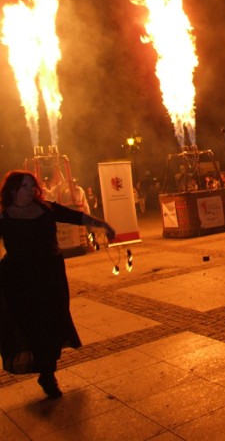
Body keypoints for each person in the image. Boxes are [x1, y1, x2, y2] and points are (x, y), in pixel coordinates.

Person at [0, 170, 115, 398]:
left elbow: (77, 217)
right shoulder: (4, 218)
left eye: (33, 185)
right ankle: (47, 374)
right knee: (31, 325)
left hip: (51, 274)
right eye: (25, 186)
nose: (31, 190)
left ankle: (47, 370)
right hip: (20, 279)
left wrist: (103, 224)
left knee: (55, 319)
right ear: (13, 190)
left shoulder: (46, 208)